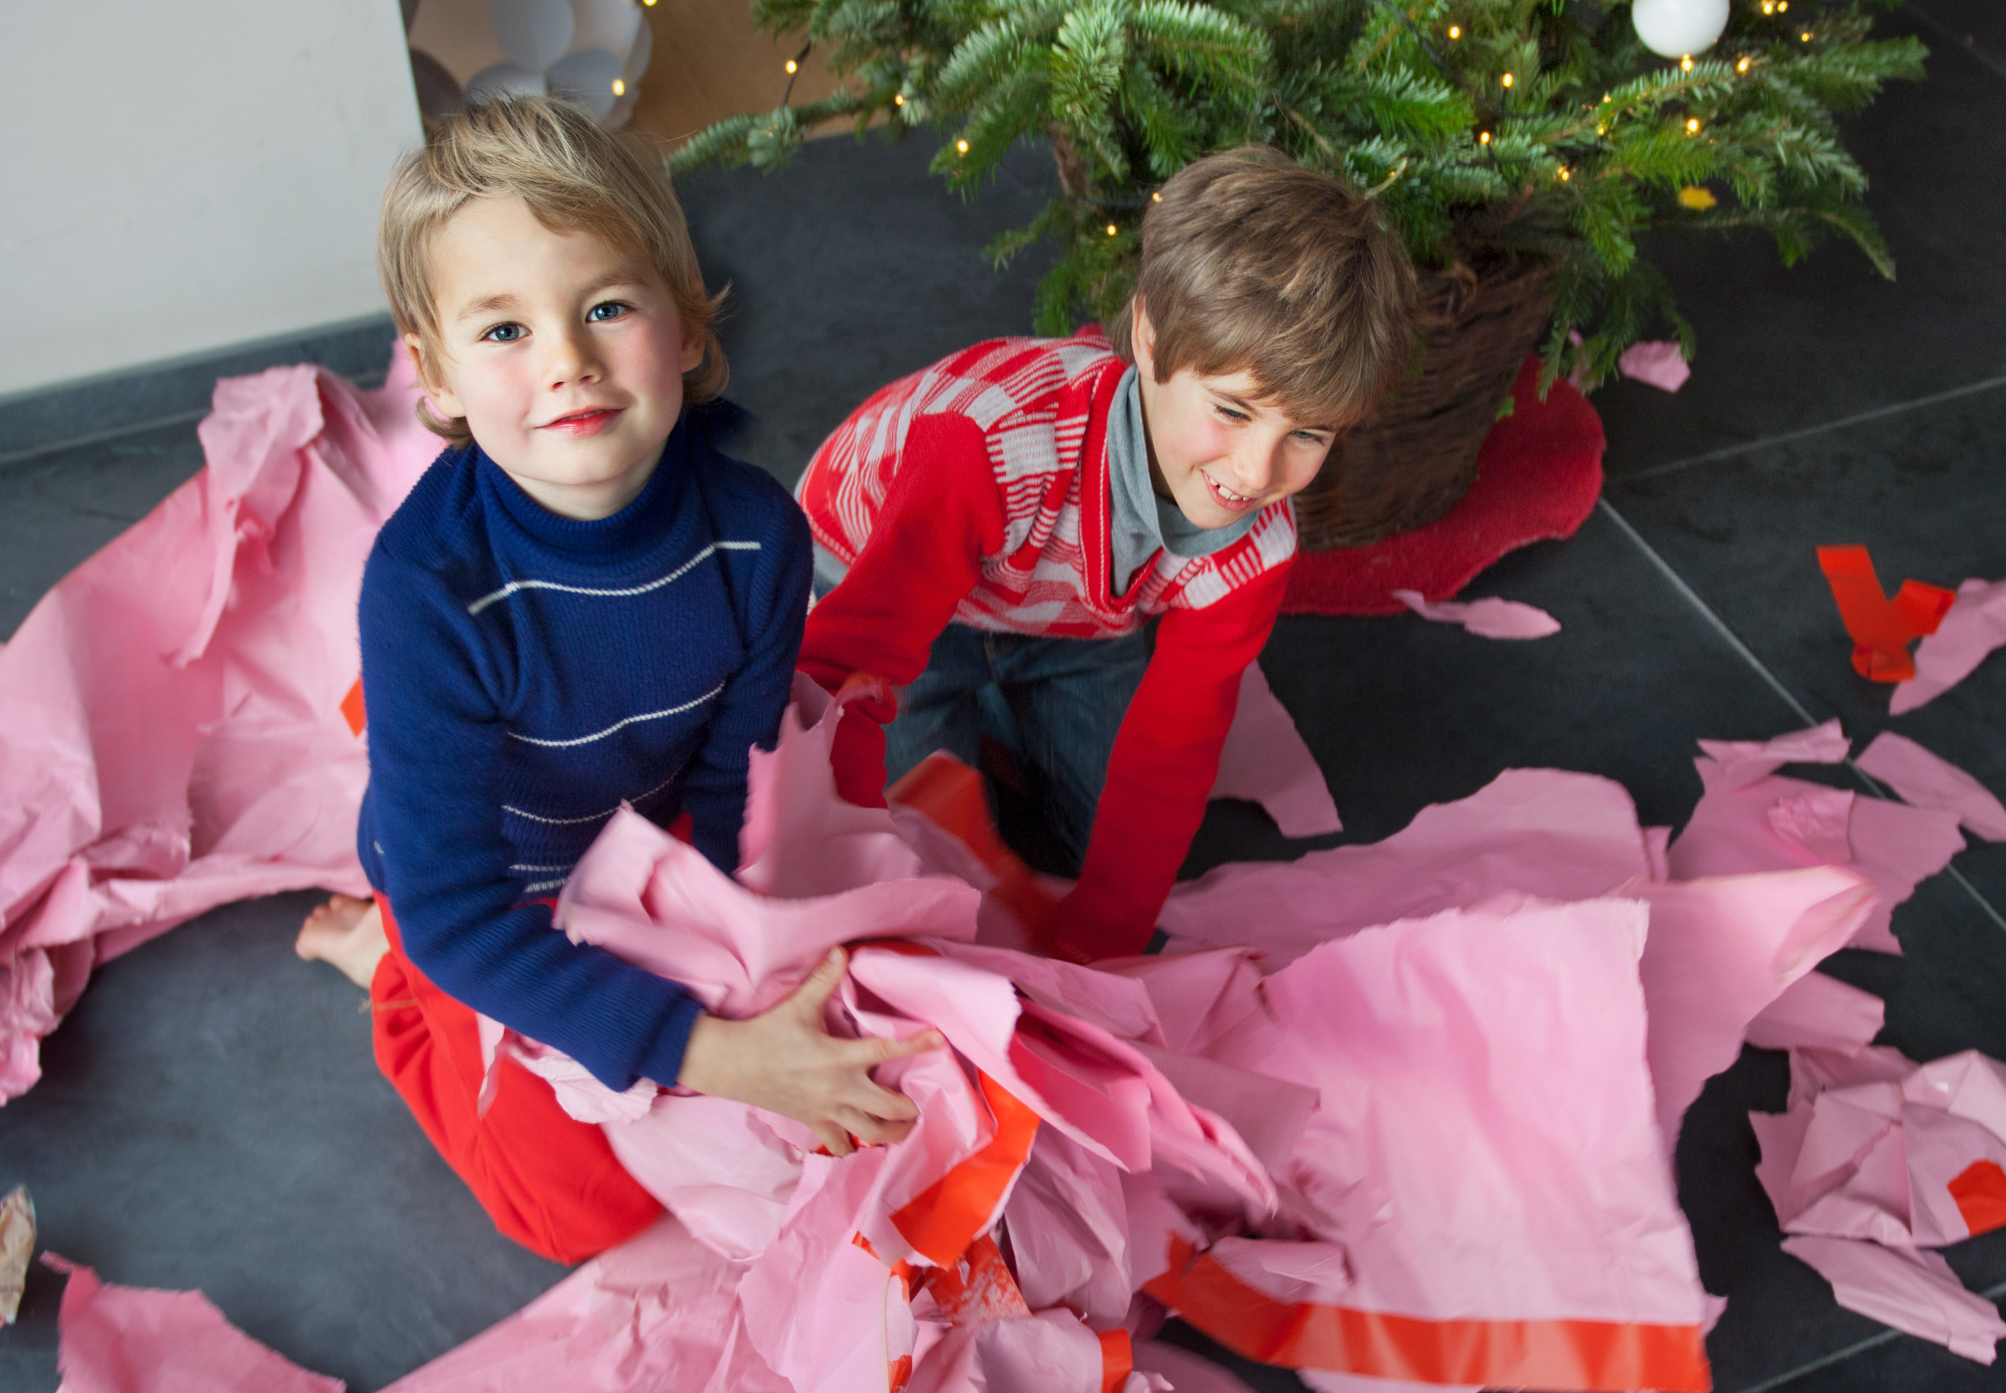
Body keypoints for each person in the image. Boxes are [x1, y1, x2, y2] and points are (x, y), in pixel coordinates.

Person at [296, 96, 929, 1264]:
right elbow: (459, 910)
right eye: (503, 332)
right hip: (487, 891)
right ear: (433, 373)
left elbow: (738, 774)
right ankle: (382, 979)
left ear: (686, 329)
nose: (568, 363)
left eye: (604, 306)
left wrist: (750, 952)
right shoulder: (426, 590)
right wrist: (714, 1049)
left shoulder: (755, 536)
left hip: (646, 836)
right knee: (572, 1213)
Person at [797, 145, 1417, 962]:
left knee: (1116, 852)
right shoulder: (988, 451)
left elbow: (1174, 749)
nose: (1255, 472)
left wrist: (1105, 942)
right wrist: (829, 825)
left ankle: (998, 704)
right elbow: (847, 666)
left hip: (1067, 612)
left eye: (1306, 434)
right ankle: (970, 707)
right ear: (1152, 342)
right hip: (881, 579)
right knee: (902, 850)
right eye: (1232, 410)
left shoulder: (1258, 540)